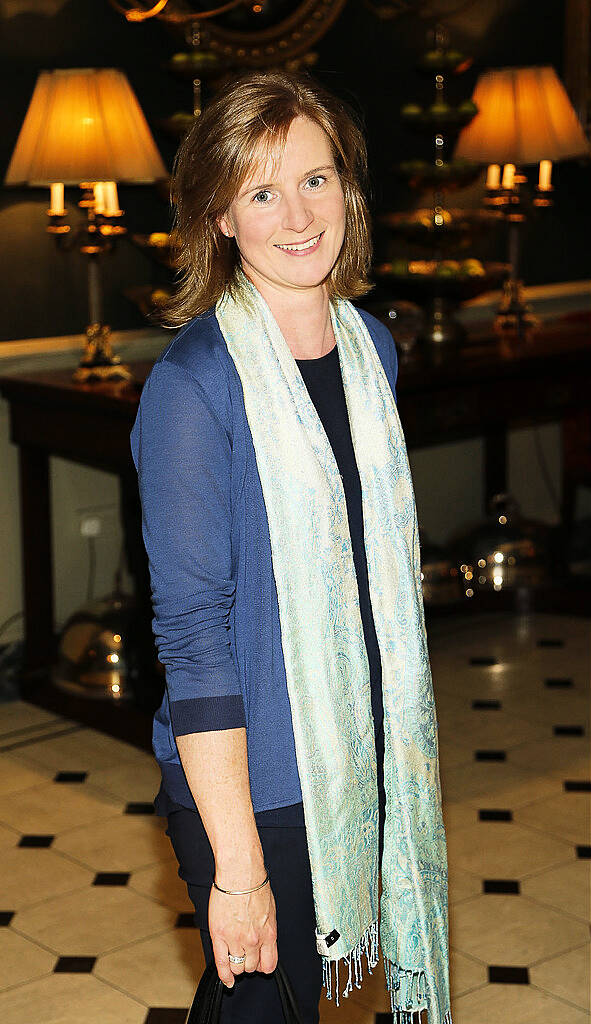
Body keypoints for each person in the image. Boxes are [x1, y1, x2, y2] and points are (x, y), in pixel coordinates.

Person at [130, 69, 453, 1024]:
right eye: (261, 191)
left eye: (316, 180)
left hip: (362, 751)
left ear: (349, 191)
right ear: (220, 217)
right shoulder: (193, 388)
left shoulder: (371, 349)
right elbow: (195, 642)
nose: (297, 214)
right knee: (262, 1005)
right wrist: (237, 871)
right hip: (255, 781)